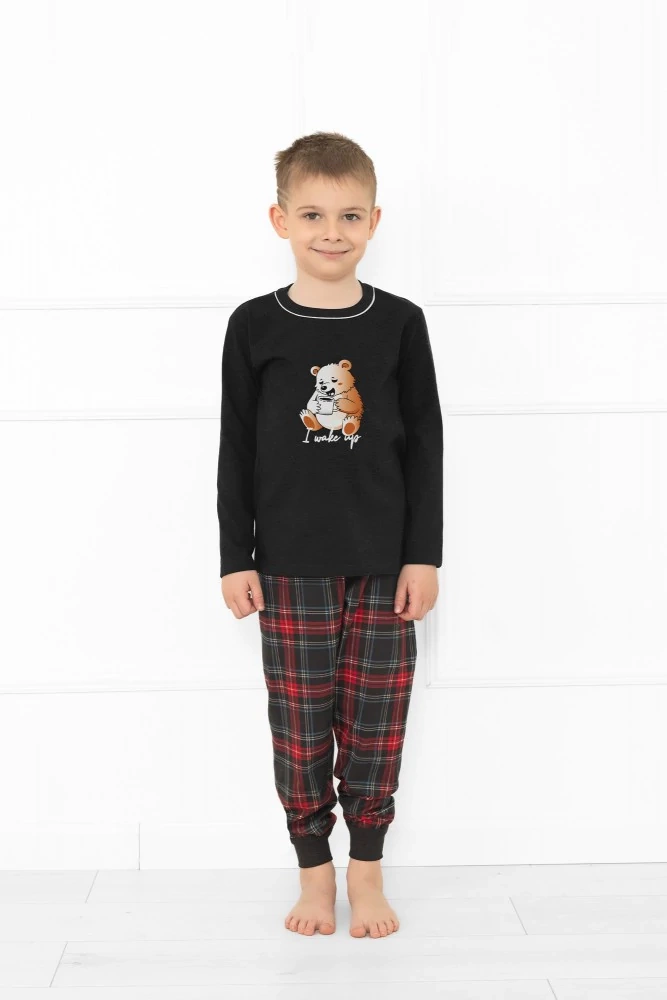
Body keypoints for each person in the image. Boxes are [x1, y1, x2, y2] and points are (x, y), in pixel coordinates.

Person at [217, 131, 443, 939]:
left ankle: (366, 873)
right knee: (301, 727)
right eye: (312, 214)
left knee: (376, 724)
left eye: (350, 215)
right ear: (279, 219)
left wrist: (423, 556)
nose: (331, 231)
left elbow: (424, 445)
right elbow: (236, 448)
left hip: (385, 566)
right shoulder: (253, 326)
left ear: (374, 220)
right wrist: (234, 558)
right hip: (286, 568)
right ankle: (315, 873)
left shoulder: (400, 323)